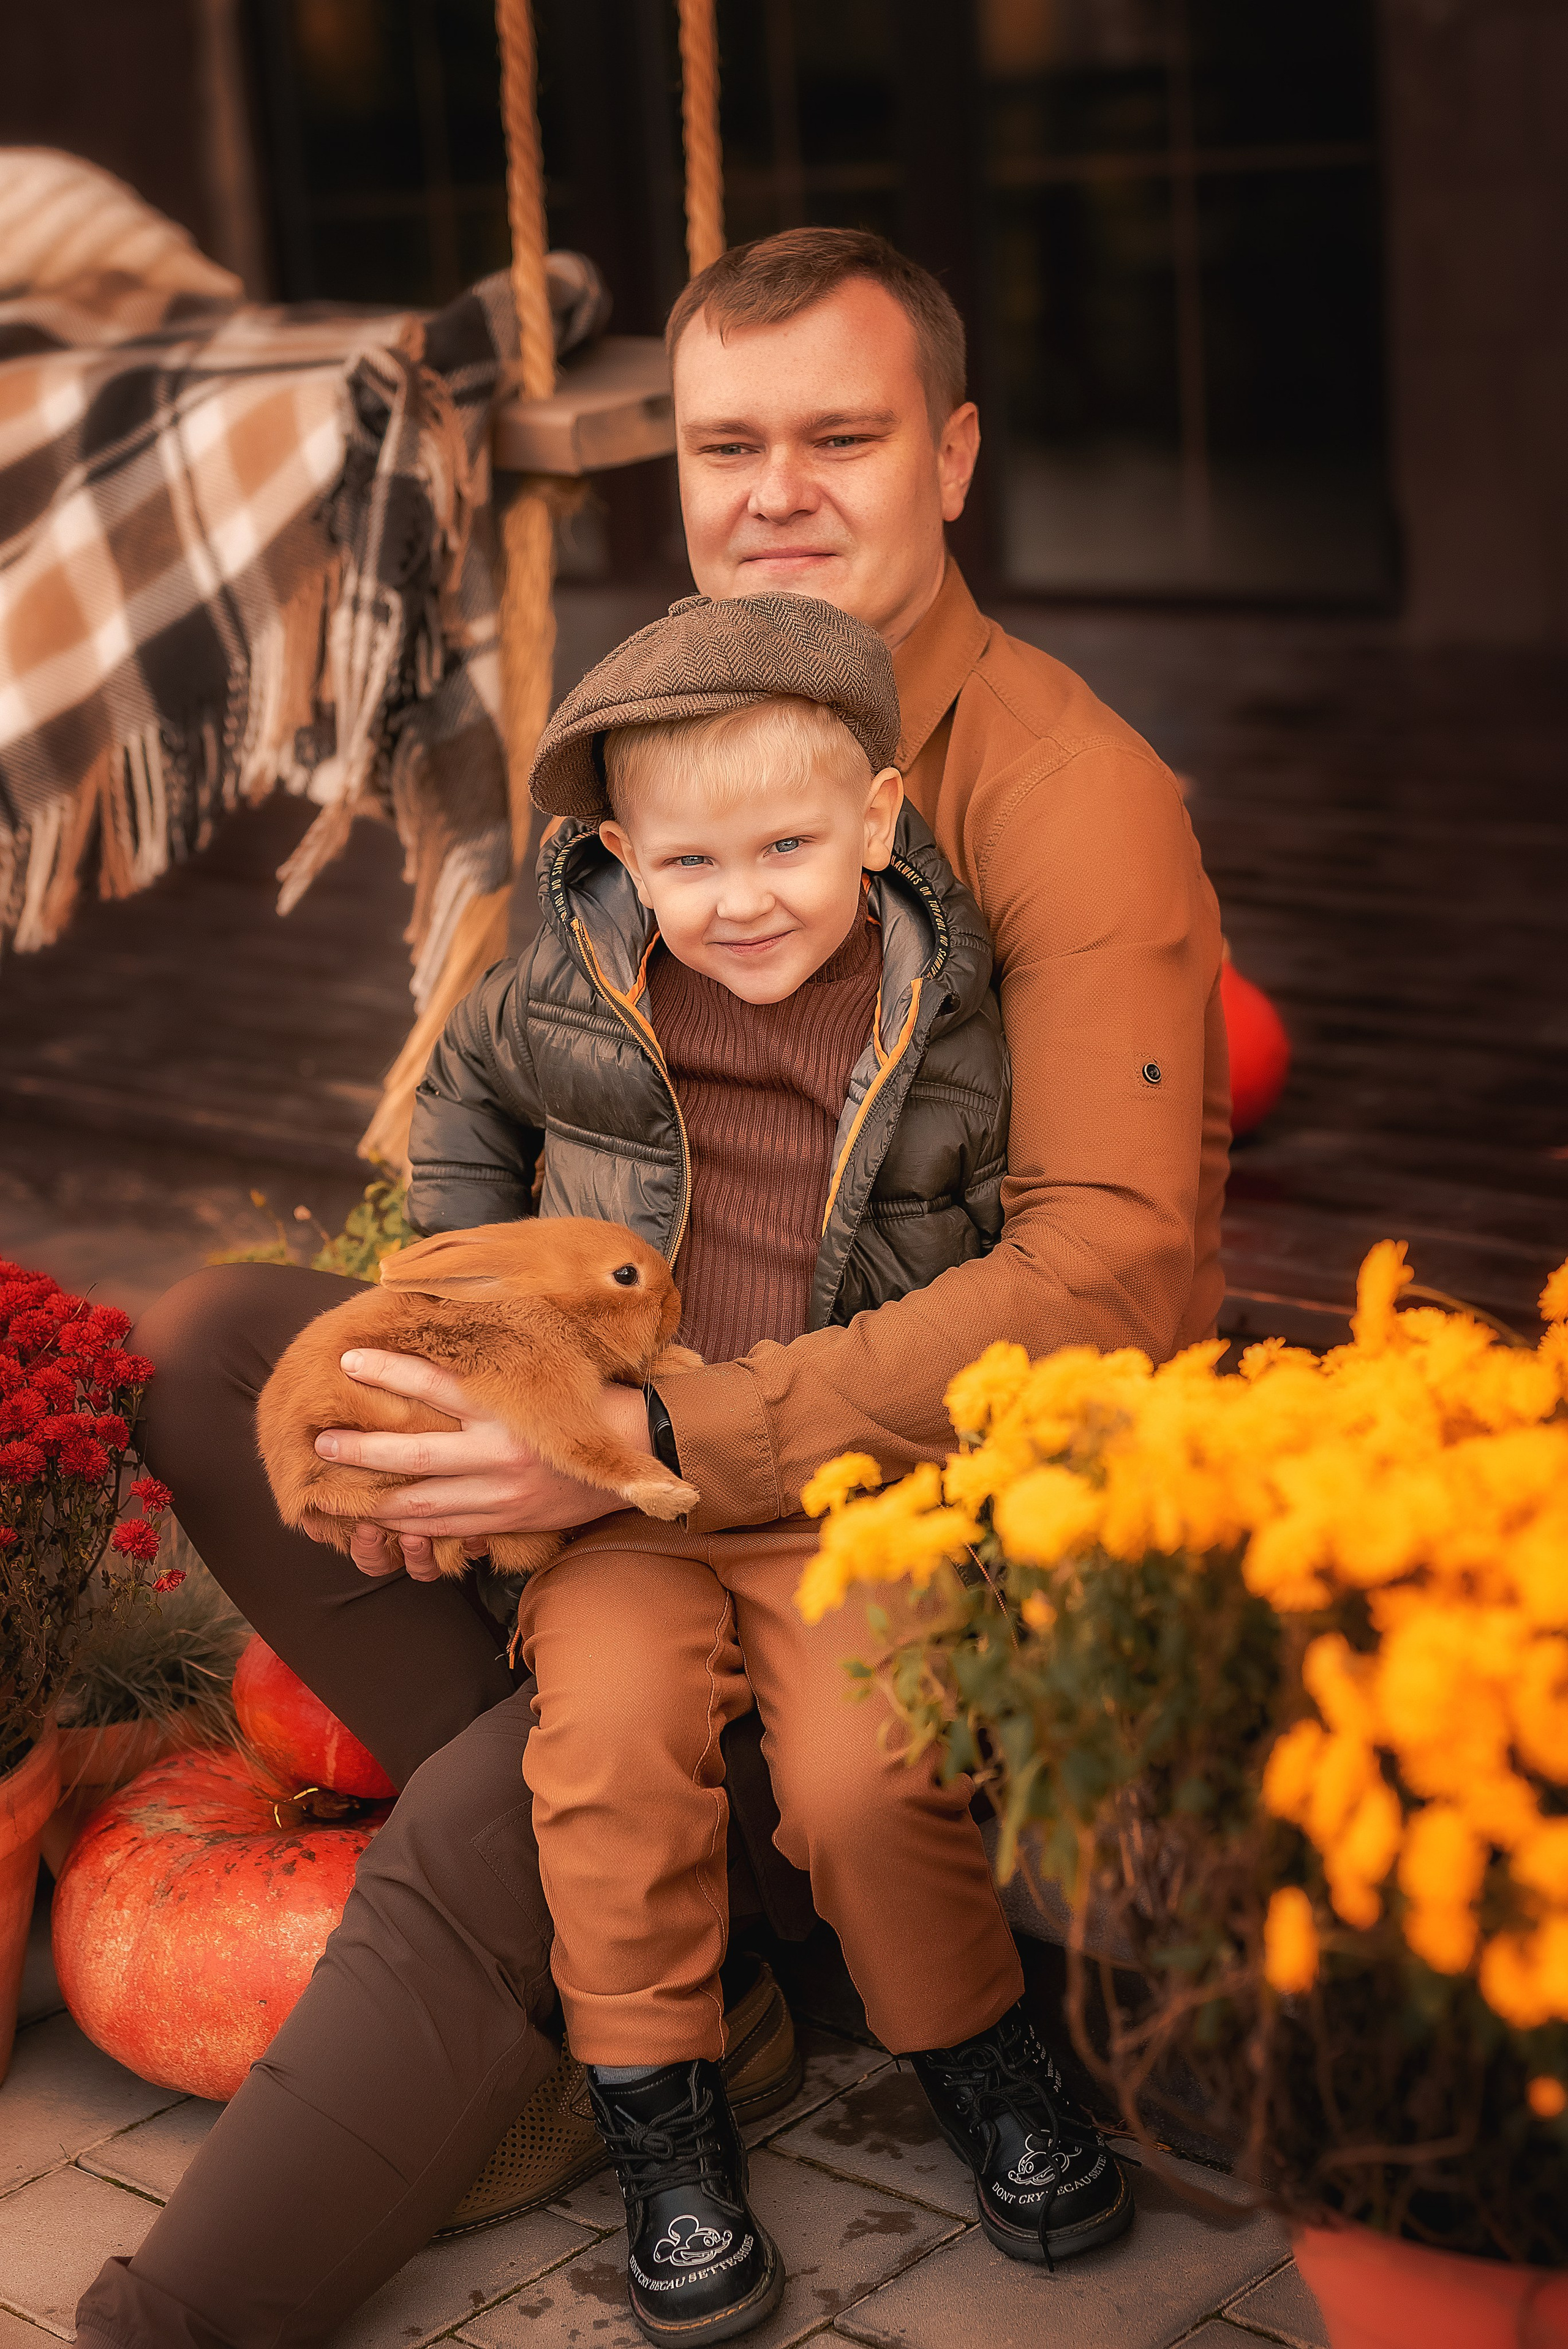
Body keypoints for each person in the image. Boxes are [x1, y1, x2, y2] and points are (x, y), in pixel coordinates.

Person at [75, 227, 1226, 2349]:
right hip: (628, 1481)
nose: (772, 492)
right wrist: (476, 1377)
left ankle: (196, 2306)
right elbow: (494, 1118)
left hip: (883, 1544)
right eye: (723, 446)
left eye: (840, 437)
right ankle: (665, 1893)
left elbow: (1108, 1281)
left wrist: (642, 1451)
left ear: (954, 455)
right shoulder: (644, 781)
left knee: (504, 1807)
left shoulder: (1065, 802)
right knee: (228, 1350)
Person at [408, 584, 1131, 2340]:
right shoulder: (566, 986)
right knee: (611, 1762)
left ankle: (977, 2053)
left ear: (877, 820)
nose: (742, 902)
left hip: (836, 1479)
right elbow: (458, 1107)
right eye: (692, 864)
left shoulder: (950, 1013)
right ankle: (663, 2123)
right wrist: (474, 1314)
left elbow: (1019, 1262)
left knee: (873, 1770)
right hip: (622, 1498)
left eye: (791, 846)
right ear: (620, 855)